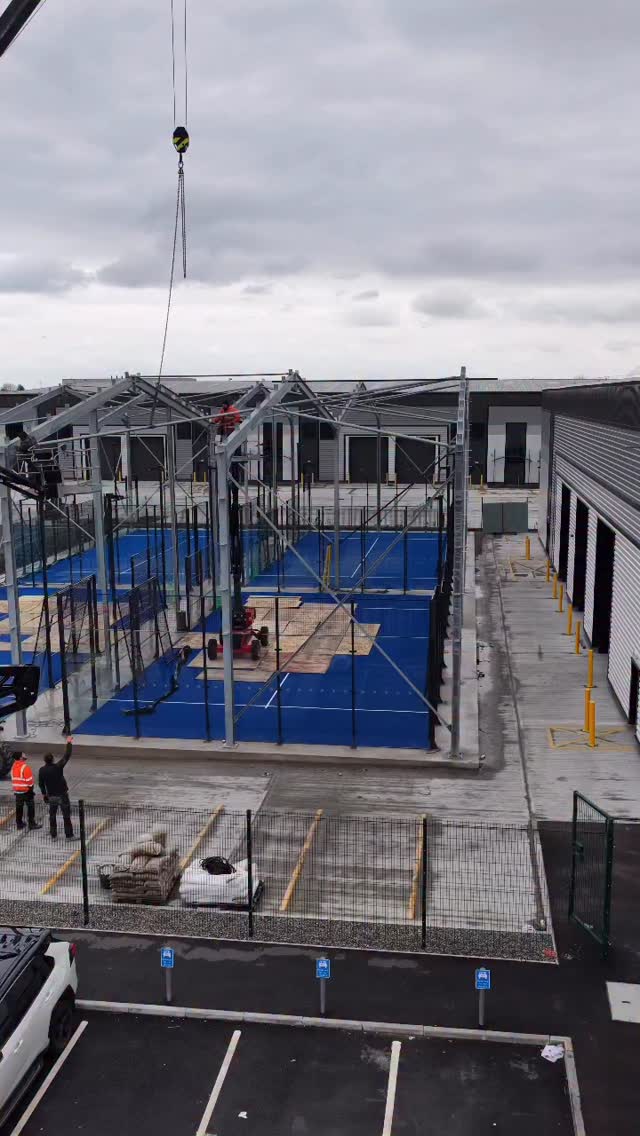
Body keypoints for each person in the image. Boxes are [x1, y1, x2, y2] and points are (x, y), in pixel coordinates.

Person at [38, 736, 77, 840]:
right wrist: (69, 742)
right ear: (53, 759)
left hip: (51, 796)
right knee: (66, 815)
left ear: (44, 760)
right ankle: (69, 835)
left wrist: (44, 794)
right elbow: (67, 755)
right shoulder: (57, 767)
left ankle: (53, 835)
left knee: (52, 816)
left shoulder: (42, 770)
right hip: (62, 795)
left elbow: (41, 784)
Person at [10, 752, 42, 831]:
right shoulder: (25, 767)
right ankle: (32, 824)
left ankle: (19, 824)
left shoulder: (13, 767)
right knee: (31, 808)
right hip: (26, 792)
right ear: (21, 758)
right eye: (23, 755)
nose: (25, 755)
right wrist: (31, 791)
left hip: (17, 792)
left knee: (19, 808)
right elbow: (30, 782)